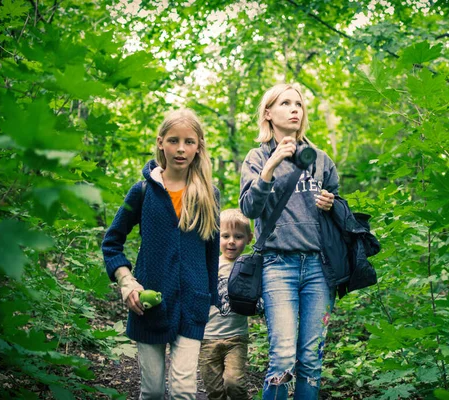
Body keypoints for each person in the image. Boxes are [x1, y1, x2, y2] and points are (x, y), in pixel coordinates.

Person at [101, 109, 220, 400]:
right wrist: (126, 281)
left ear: (199, 146)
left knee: (182, 390)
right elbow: (112, 242)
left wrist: (211, 300)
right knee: (152, 391)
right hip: (149, 306)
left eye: (189, 142)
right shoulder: (142, 191)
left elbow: (212, 256)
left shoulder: (209, 194)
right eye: (174, 140)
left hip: (193, 304)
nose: (181, 149)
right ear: (161, 143)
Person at [239, 83, 340, 399]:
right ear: (268, 113)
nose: (295, 108)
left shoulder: (320, 159)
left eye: (299, 104)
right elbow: (248, 208)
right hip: (277, 265)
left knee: (311, 360)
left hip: (319, 269)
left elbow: (340, 207)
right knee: (282, 356)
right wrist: (271, 166)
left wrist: (332, 204)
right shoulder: (257, 157)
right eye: (285, 103)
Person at [199, 208, 253, 400]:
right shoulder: (210, 264)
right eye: (225, 236)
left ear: (249, 238)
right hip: (208, 337)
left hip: (236, 338)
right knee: (214, 391)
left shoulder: (249, 266)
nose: (231, 241)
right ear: (216, 237)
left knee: (234, 383)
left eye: (238, 236)